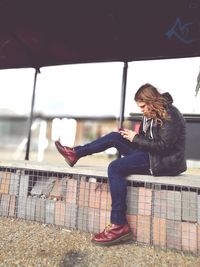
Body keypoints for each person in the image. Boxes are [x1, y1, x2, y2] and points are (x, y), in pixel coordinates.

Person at [55, 83, 187, 246]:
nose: (142, 110)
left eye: (143, 106)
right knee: (115, 136)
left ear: (152, 101)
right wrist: (129, 137)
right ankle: (75, 153)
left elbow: (164, 146)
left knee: (115, 167)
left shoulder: (171, 114)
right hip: (150, 154)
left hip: (163, 162)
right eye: (140, 107)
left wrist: (135, 138)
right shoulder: (148, 114)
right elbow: (144, 142)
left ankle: (119, 226)